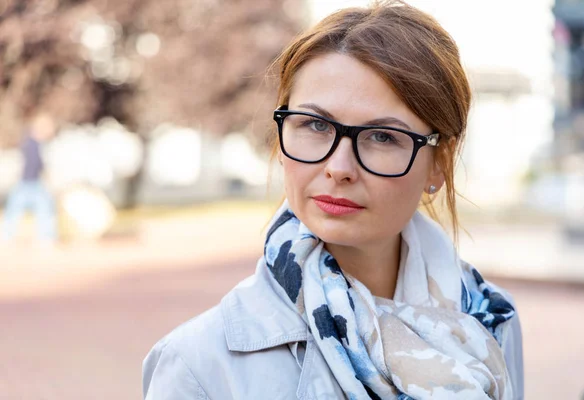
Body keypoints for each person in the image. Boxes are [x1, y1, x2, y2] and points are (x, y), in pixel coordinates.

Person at [142, 1, 524, 399]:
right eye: (316, 125)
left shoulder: (490, 319)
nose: (339, 167)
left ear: (438, 163)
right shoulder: (199, 364)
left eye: (382, 136)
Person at [1, 112, 57, 245]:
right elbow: (30, 163)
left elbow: (40, 164)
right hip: (26, 182)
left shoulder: (39, 144)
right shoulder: (29, 142)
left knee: (44, 209)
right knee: (15, 209)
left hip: (34, 183)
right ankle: (7, 235)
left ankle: (46, 236)